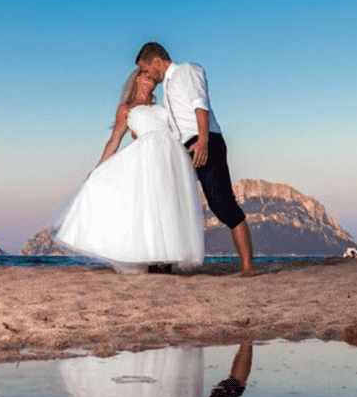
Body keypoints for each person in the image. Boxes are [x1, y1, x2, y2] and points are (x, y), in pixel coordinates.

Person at [52, 70, 205, 273]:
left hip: (169, 157)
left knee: (168, 204)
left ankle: (167, 259)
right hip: (146, 158)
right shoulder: (126, 109)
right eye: (146, 75)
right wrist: (98, 168)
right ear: (137, 79)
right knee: (149, 206)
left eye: (153, 76)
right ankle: (152, 259)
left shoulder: (162, 107)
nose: (151, 78)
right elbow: (114, 140)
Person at [135, 42, 255, 277]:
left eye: (146, 69)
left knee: (221, 205)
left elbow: (200, 105)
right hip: (184, 148)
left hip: (204, 142)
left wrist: (203, 141)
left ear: (157, 62)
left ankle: (248, 267)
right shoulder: (167, 85)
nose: (146, 74)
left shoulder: (187, 71)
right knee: (169, 201)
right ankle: (165, 262)